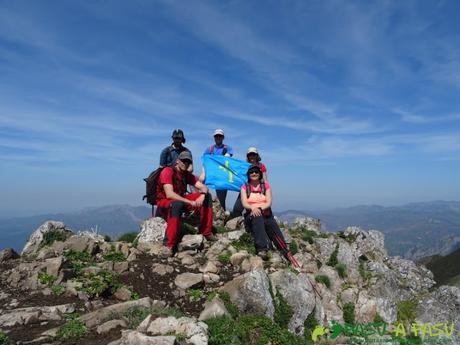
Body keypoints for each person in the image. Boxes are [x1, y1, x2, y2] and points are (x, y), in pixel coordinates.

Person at [156, 151, 216, 257]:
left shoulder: (186, 175)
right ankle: (168, 245)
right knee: (176, 205)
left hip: (180, 200)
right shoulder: (168, 171)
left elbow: (204, 187)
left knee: (207, 196)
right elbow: (169, 194)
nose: (186, 163)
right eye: (183, 161)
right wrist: (190, 202)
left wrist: (202, 196)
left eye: (188, 162)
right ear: (178, 161)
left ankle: (206, 232)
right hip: (164, 202)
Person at [240, 165, 286, 259]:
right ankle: (261, 249)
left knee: (276, 232)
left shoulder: (265, 186)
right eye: (251, 172)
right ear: (248, 175)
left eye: (256, 172)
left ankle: (284, 249)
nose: (254, 173)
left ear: (260, 174)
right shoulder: (245, 187)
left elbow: (269, 202)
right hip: (251, 215)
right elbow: (244, 203)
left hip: (266, 214)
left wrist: (260, 209)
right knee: (257, 217)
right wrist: (253, 208)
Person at [202, 129, 234, 213]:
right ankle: (203, 209)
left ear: (223, 137)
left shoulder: (227, 148)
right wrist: (203, 173)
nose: (218, 137)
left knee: (221, 196)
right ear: (214, 137)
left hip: (222, 176)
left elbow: (228, 158)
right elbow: (205, 161)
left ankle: (221, 212)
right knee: (202, 189)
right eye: (216, 136)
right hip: (212, 174)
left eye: (220, 136)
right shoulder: (209, 149)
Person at [231, 147, 268, 217]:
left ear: (257, 155)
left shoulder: (261, 166)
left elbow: (265, 181)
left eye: (253, 154)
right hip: (246, 190)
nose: (252, 156)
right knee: (237, 209)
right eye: (250, 154)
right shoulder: (244, 166)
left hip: (258, 191)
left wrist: (265, 193)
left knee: (258, 210)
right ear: (247, 156)